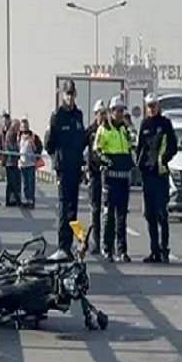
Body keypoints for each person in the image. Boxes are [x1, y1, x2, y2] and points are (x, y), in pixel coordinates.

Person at [45, 80, 86, 258]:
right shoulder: (57, 115)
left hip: (75, 167)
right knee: (63, 207)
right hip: (63, 167)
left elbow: (81, 141)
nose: (70, 97)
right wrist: (57, 158)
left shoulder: (78, 115)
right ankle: (62, 245)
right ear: (63, 95)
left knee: (73, 209)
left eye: (72, 94)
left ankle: (72, 245)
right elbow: (49, 144)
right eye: (67, 94)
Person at [136, 94, 178, 263]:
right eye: (149, 106)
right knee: (150, 215)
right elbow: (140, 147)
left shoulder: (165, 124)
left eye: (154, 105)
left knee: (162, 214)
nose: (152, 108)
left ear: (158, 106)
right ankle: (154, 251)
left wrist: (163, 159)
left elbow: (173, 146)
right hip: (148, 175)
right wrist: (140, 164)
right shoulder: (144, 125)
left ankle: (164, 249)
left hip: (161, 175)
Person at [96, 96, 135, 263]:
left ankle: (122, 250)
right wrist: (107, 161)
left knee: (122, 217)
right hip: (110, 179)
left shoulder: (125, 129)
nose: (120, 113)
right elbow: (97, 151)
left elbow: (131, 148)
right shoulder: (104, 129)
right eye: (117, 110)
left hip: (123, 178)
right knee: (109, 215)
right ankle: (107, 248)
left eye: (122, 110)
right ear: (111, 111)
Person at [83, 99, 108, 254]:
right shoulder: (90, 131)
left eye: (104, 113)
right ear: (95, 114)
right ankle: (95, 242)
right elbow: (80, 147)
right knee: (95, 210)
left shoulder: (109, 130)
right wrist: (82, 164)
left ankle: (107, 244)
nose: (103, 116)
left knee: (108, 211)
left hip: (108, 175)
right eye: (100, 113)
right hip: (94, 175)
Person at [18, 118, 42, 209]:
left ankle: (31, 200)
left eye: (25, 126)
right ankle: (26, 199)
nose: (24, 128)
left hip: (31, 164)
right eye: (22, 126)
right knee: (25, 183)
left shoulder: (33, 136)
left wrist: (37, 157)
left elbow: (39, 146)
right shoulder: (19, 136)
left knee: (31, 183)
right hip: (22, 163)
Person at [3, 119, 21, 206]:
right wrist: (18, 150)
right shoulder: (11, 134)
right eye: (18, 126)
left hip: (11, 161)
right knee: (12, 182)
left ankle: (10, 200)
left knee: (11, 183)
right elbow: (12, 147)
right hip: (10, 162)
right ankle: (15, 200)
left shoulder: (12, 133)